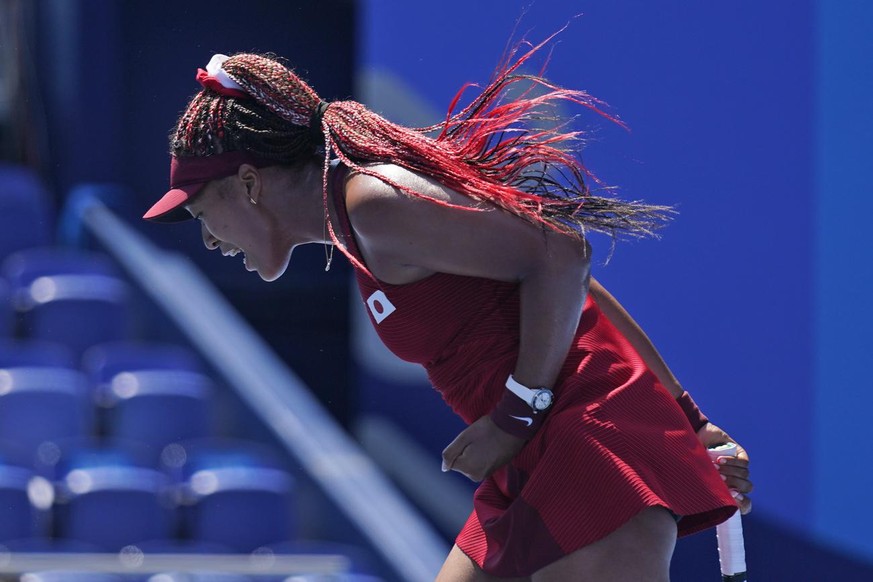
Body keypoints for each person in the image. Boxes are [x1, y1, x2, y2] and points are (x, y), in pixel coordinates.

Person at [143, 32, 752, 582]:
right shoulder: (356, 216)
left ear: (250, 185)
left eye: (202, 215)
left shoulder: (371, 203)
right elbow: (578, 296)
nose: (209, 241)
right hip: (538, 457)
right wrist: (689, 418)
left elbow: (564, 256)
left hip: (592, 451)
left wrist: (516, 414)